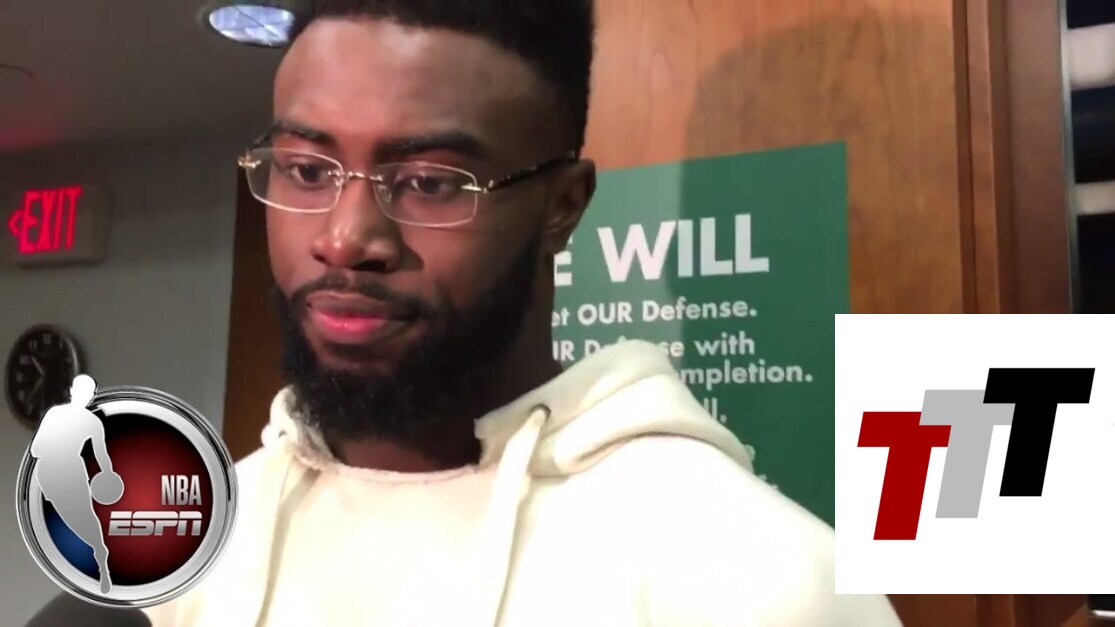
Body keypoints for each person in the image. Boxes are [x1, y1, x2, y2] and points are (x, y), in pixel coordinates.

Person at [143, 2, 903, 625]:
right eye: (307, 170)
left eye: (431, 182)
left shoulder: (760, 582)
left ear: (562, 206)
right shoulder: (184, 551)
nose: (344, 239)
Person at [30, 374, 120, 595]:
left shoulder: (93, 422)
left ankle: (101, 557)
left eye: (88, 393)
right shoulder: (55, 414)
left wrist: (108, 475)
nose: (84, 396)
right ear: (71, 391)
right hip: (50, 472)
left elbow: (102, 455)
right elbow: (36, 448)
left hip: (73, 471)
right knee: (68, 519)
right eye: (81, 391)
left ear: (92, 396)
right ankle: (95, 551)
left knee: (86, 516)